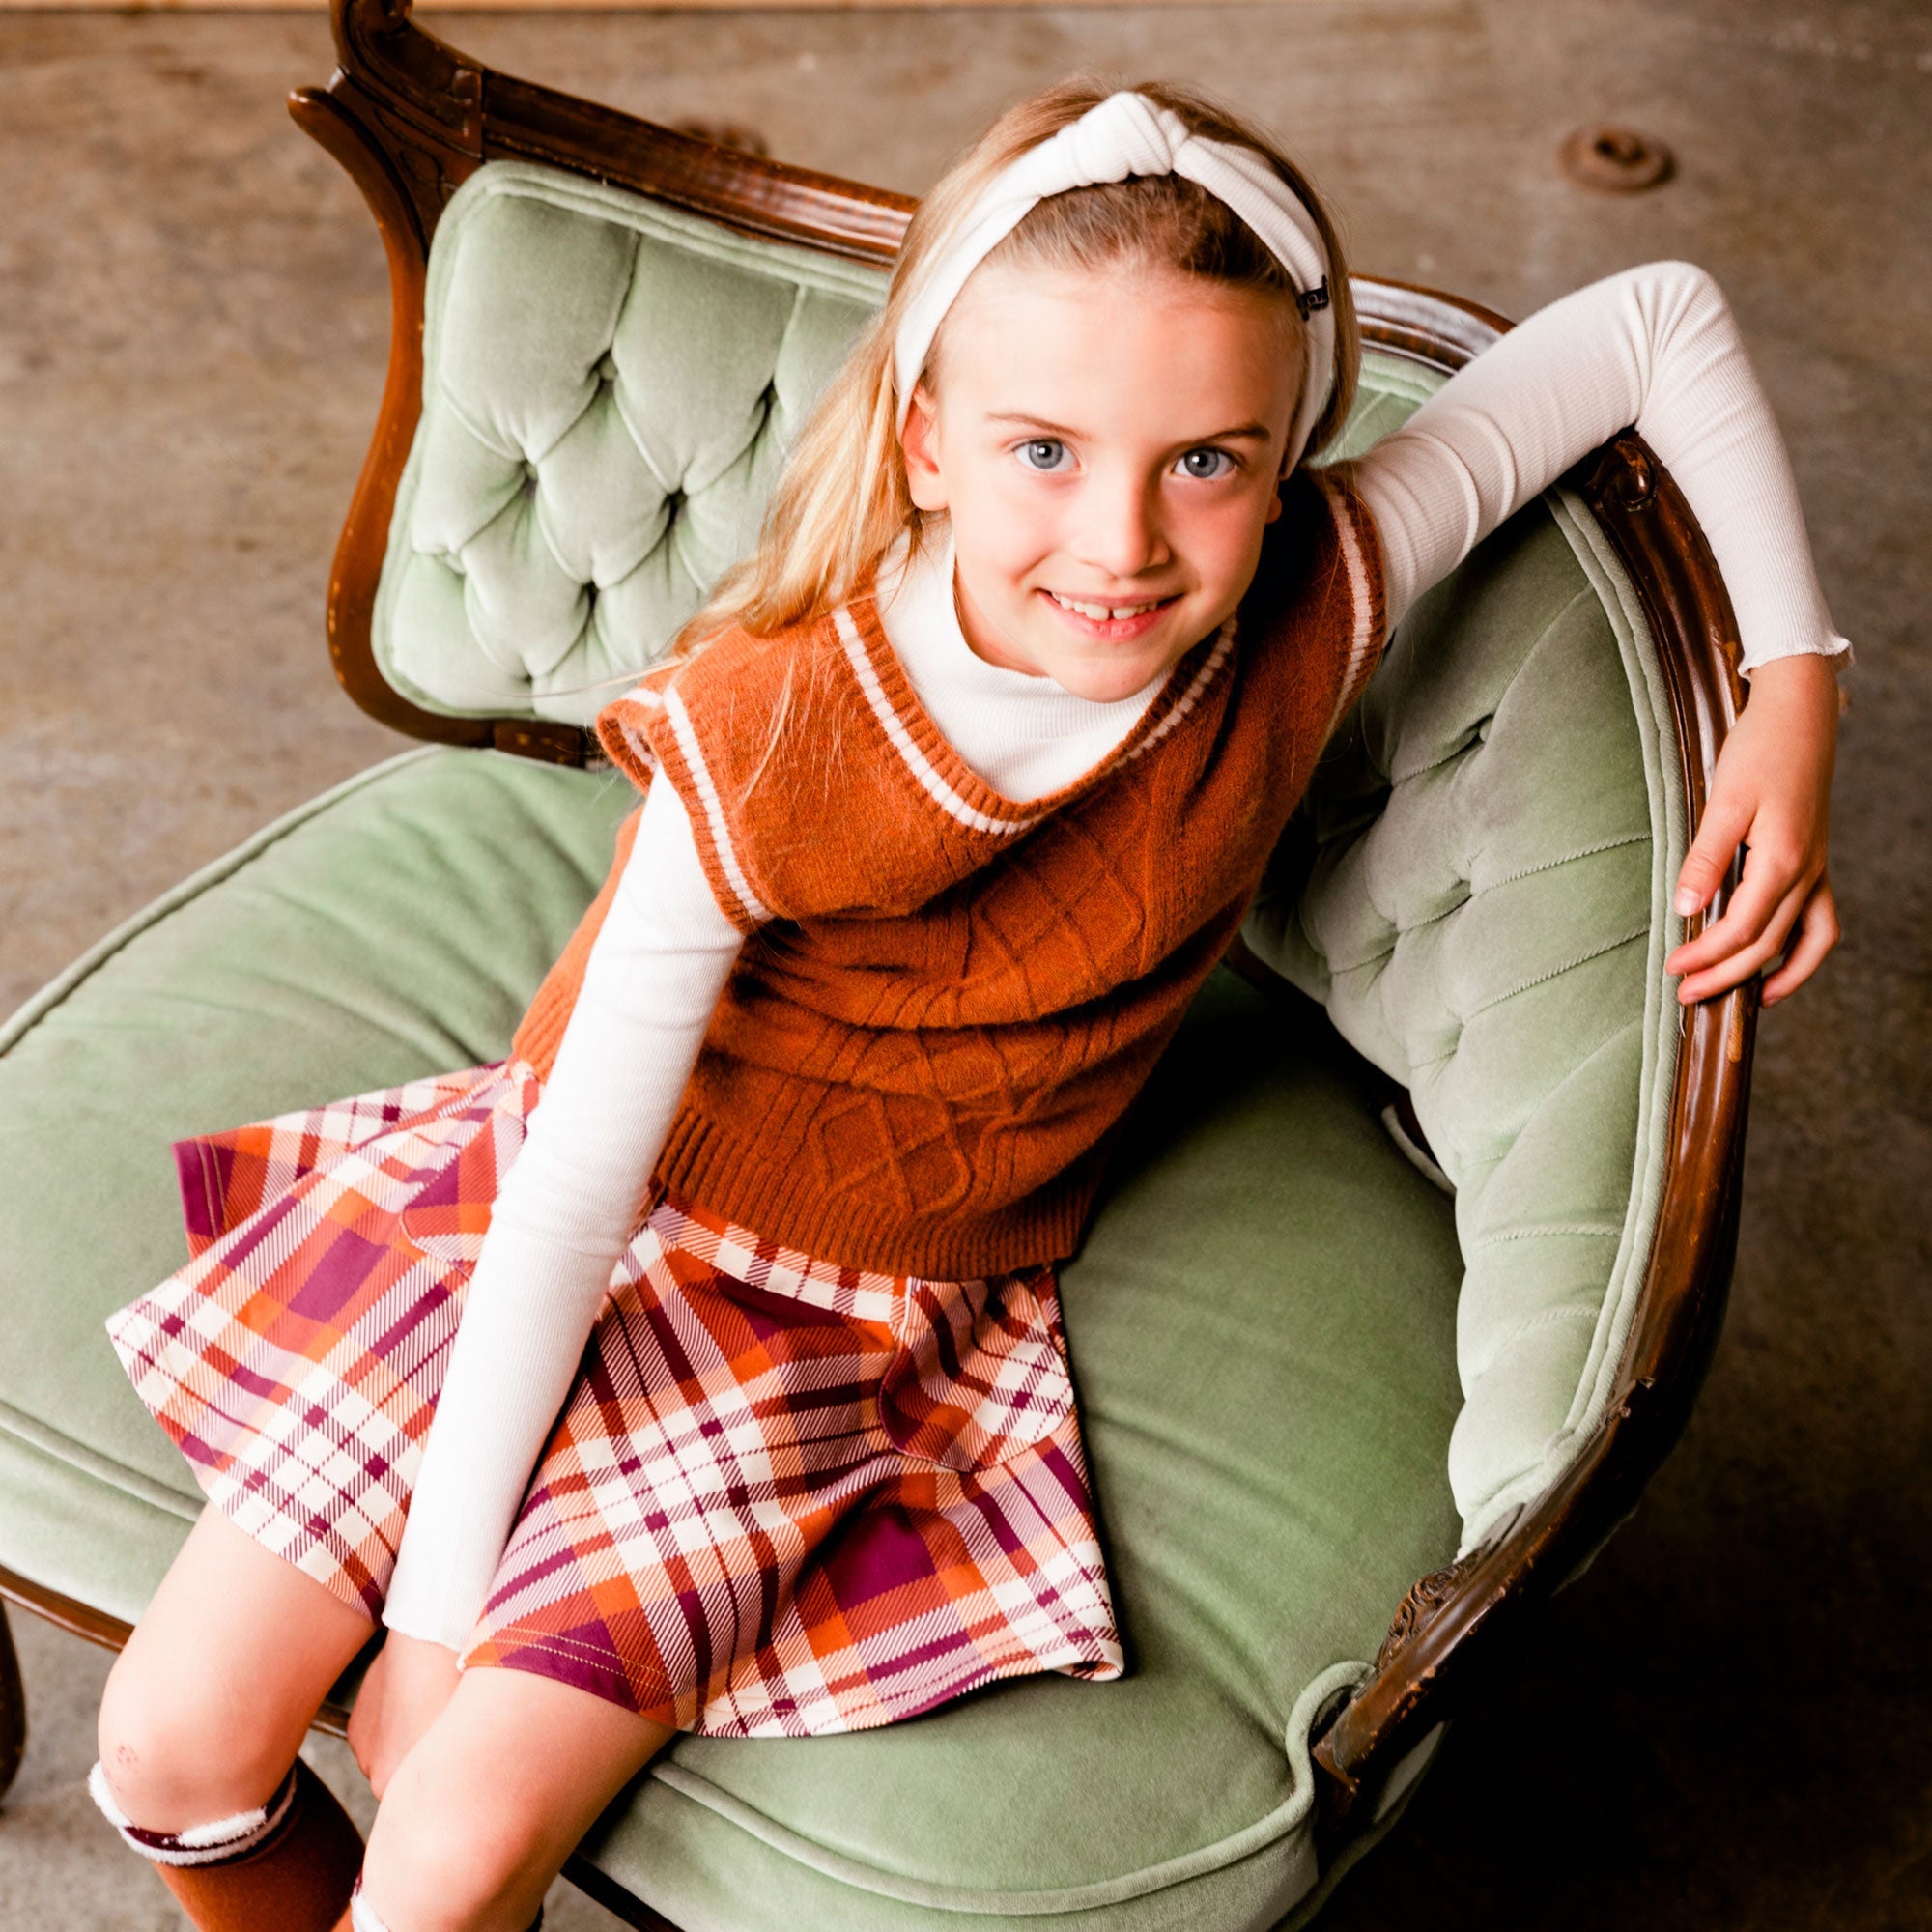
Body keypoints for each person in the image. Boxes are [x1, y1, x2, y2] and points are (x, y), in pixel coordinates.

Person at [89, 77, 1846, 1932]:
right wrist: (436, 1623)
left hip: (837, 1318)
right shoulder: (775, 727)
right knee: (174, 1742)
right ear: (926, 436)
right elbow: (583, 1179)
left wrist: (1792, 690)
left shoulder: (1317, 591)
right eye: (1043, 451)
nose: (1125, 545)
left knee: (445, 1863)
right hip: (562, 1220)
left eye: (1209, 461)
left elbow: (1656, 316)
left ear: (1286, 446)